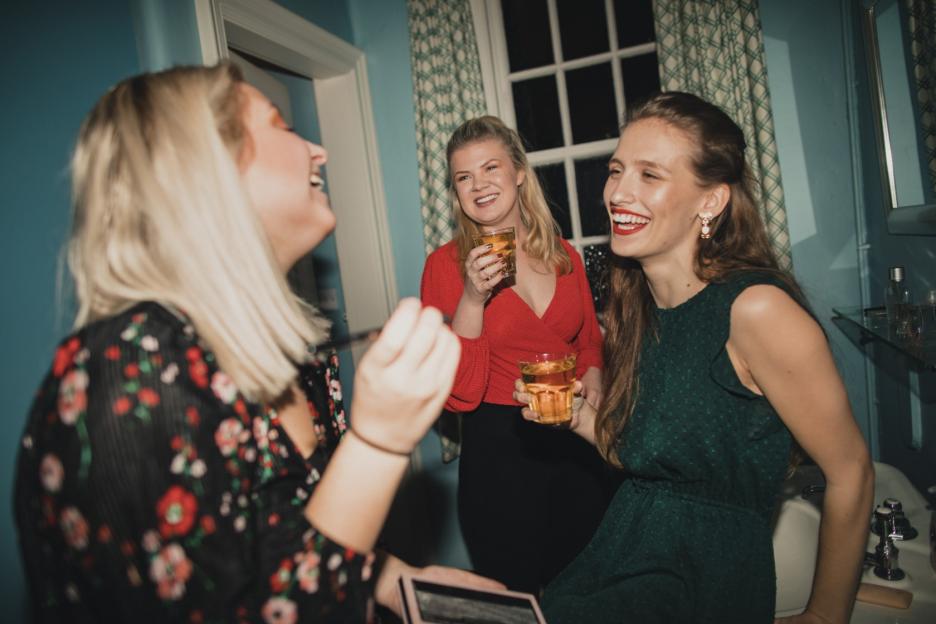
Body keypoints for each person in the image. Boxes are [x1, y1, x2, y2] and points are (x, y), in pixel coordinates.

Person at [14, 63, 501, 623]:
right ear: (205, 170)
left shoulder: (295, 360)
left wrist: (397, 580)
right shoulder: (126, 371)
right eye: (282, 126)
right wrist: (381, 443)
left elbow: (288, 539)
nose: (317, 150)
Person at [515, 92, 874, 623]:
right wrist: (580, 418)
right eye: (617, 171)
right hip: (622, 561)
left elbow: (853, 471)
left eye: (649, 176)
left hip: (701, 584)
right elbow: (656, 465)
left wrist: (824, 616)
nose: (619, 192)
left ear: (710, 202)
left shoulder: (755, 310)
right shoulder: (638, 305)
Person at [420, 116, 617, 594]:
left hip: (577, 442)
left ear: (519, 173)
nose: (479, 185)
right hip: (501, 454)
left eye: (491, 168)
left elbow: (590, 339)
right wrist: (472, 297)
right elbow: (458, 398)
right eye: (464, 177)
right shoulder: (444, 266)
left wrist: (593, 376)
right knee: (522, 598)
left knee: (594, 590)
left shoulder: (562, 253)